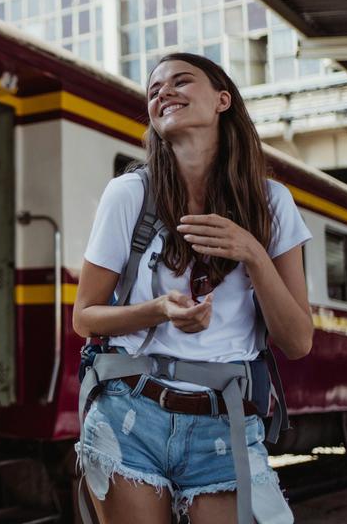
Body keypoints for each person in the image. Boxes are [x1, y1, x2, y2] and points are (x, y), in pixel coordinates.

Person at [73, 53, 312, 524]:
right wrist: (158, 310)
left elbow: (298, 340)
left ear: (223, 100)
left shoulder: (272, 204)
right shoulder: (129, 195)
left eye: (181, 81)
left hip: (226, 420)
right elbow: (85, 316)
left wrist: (254, 254)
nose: (163, 92)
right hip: (129, 413)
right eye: (154, 89)